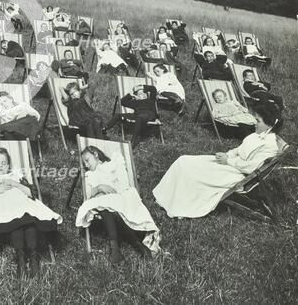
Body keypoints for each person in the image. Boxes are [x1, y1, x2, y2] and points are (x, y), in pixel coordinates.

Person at [153, 102, 284, 218]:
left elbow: (251, 168)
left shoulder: (270, 146)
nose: (255, 123)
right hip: (231, 164)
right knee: (184, 161)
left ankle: (178, 204)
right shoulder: (257, 135)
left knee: (192, 172)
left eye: (258, 121)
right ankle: (165, 197)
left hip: (238, 175)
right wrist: (227, 155)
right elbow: (239, 149)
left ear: (270, 125)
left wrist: (229, 161)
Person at [0, 147, 62, 278]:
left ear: (8, 165)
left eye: (4, 163)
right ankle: (21, 260)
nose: (1, 166)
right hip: (4, 208)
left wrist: (15, 184)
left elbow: (32, 193)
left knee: (29, 220)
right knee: (16, 221)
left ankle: (34, 260)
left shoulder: (16, 176)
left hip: (23, 204)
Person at [75, 146, 160, 263]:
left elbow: (123, 183)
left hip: (119, 196)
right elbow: (87, 194)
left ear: (95, 154)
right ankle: (129, 247)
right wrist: (99, 187)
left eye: (87, 160)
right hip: (103, 201)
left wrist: (112, 188)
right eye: (84, 162)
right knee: (104, 205)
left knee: (109, 204)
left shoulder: (113, 164)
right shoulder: (89, 175)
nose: (86, 165)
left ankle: (120, 249)